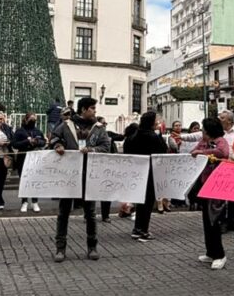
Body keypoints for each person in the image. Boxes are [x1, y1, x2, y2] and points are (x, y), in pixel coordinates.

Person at [50, 97, 111, 262]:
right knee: (63, 213)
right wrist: (58, 146)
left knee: (90, 213)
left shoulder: (99, 128)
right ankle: (60, 249)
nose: (94, 111)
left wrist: (92, 149)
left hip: (89, 176)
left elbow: (106, 147)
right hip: (68, 175)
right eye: (92, 108)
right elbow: (54, 138)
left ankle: (92, 247)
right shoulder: (66, 125)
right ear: (83, 109)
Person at [189, 117, 231, 269]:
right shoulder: (204, 142)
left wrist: (203, 152)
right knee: (207, 220)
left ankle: (220, 255)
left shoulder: (220, 141)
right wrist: (200, 151)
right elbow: (193, 151)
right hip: (204, 185)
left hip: (217, 186)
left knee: (215, 220)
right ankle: (210, 252)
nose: (203, 133)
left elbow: (223, 152)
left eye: (204, 130)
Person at [123, 111, 168, 242]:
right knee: (147, 203)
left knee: (140, 202)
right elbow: (162, 150)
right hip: (150, 173)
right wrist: (160, 135)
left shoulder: (134, 135)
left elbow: (127, 149)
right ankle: (143, 230)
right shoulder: (153, 136)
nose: (158, 123)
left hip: (137, 172)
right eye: (156, 121)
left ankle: (137, 229)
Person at [11, 112, 46, 212]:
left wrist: (37, 142)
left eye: (34, 120)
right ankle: (24, 202)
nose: (33, 121)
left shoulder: (38, 131)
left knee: (35, 180)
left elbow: (43, 142)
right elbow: (14, 144)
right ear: (25, 120)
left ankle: (35, 202)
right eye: (31, 119)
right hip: (23, 158)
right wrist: (27, 141)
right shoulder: (19, 131)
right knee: (24, 180)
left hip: (35, 159)